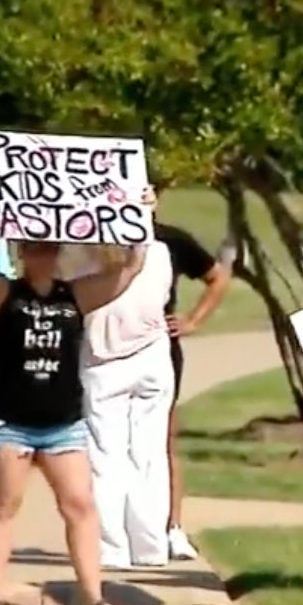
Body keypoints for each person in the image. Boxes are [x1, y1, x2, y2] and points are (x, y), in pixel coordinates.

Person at [0, 227, 144, 605]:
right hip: (11, 422)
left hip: (63, 423)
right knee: (5, 508)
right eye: (35, 246)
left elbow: (130, 270)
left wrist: (140, 221)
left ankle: (93, 596)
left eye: (50, 246)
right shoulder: (5, 294)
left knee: (80, 505)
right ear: (22, 251)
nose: (44, 253)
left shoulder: (74, 295)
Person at [79, 240, 175, 568]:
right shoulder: (158, 251)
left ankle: (113, 548)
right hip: (151, 354)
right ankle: (150, 546)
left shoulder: (81, 253)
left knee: (106, 460)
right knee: (149, 455)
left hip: (102, 360)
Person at [152, 183, 231, 560]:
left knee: (164, 438)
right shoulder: (96, 237)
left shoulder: (171, 240)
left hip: (159, 348)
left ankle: (172, 527)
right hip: (105, 350)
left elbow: (218, 277)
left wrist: (193, 321)